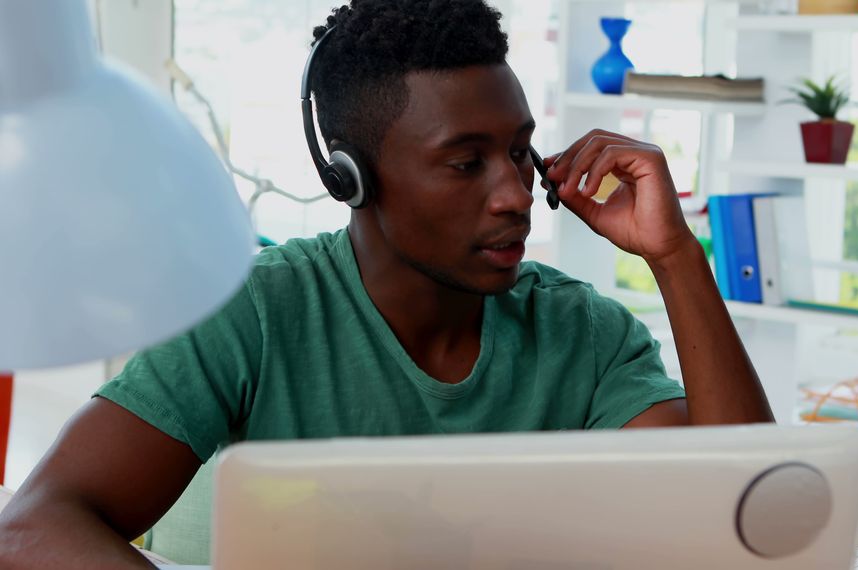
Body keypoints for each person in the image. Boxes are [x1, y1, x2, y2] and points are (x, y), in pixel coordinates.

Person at [0, 0, 772, 567]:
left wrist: (677, 258)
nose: (512, 192)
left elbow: (748, 525)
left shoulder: (583, 334)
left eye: (517, 151)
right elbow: (34, 524)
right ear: (351, 177)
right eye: (466, 162)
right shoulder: (259, 310)